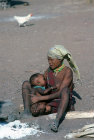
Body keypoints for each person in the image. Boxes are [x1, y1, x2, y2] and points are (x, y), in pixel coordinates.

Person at [22, 45, 80, 132]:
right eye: (48, 60)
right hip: (49, 96)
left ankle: (56, 121)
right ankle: (27, 112)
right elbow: (42, 82)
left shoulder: (67, 71)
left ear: (60, 59)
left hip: (61, 100)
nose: (49, 62)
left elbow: (60, 92)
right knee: (26, 84)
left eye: (52, 60)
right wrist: (37, 91)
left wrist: (40, 98)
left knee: (65, 91)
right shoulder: (49, 70)